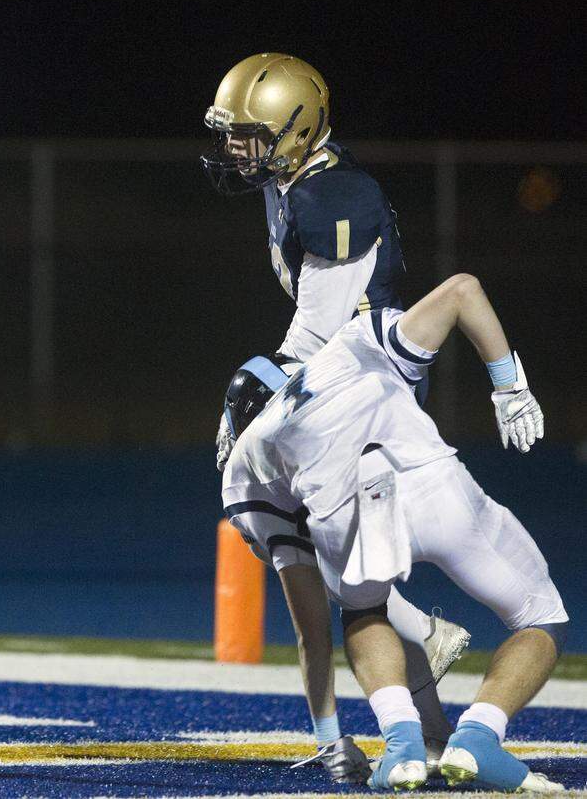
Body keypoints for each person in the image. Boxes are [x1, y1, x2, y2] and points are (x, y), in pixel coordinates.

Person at [202, 52, 468, 765]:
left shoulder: (333, 196)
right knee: (350, 573)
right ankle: (432, 729)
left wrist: (255, 386)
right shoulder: (295, 180)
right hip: (347, 378)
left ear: (295, 130)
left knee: (313, 545)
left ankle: (419, 652)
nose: (235, 147)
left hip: (366, 382)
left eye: (249, 134)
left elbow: (321, 331)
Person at [223, 273, 565, 792]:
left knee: (362, 611)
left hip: (340, 510)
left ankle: (403, 743)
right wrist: (508, 387)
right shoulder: (352, 342)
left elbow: (311, 629)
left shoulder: (246, 463)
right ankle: (479, 735)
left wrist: (328, 737)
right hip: (428, 482)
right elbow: (462, 290)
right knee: (541, 615)